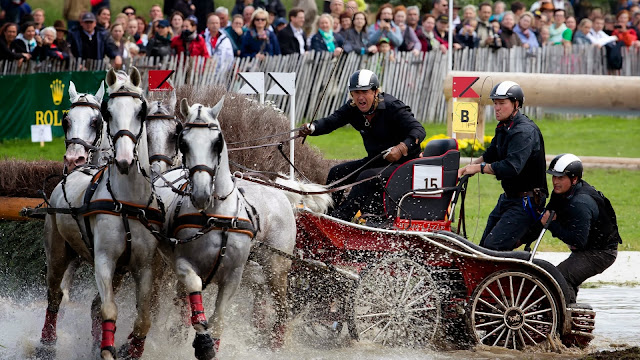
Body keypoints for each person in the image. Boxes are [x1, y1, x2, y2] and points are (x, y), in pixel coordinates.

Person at [299, 69, 426, 222]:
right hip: (376, 162)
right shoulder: (352, 108)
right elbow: (332, 121)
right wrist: (312, 127)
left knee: (366, 177)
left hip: (404, 165)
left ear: (375, 91)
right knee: (337, 172)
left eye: (365, 92)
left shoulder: (393, 106)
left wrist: (400, 148)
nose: (360, 97)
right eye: (356, 92)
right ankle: (326, 216)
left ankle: (340, 220)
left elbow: (419, 130)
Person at [458, 81, 547, 251]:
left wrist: (479, 168)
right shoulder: (504, 127)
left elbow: (511, 167)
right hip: (509, 198)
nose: (497, 108)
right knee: (483, 248)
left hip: (526, 201)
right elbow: (491, 153)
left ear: (516, 104)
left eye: (501, 103)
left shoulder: (523, 131)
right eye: (495, 103)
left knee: (493, 247)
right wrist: (465, 169)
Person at [543, 154, 621, 301]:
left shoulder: (581, 203)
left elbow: (578, 241)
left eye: (560, 178)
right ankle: (567, 315)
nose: (555, 181)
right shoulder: (561, 192)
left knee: (560, 278)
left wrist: (551, 225)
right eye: (554, 177)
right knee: (563, 276)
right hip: (587, 248)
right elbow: (546, 216)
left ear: (574, 179)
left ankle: (568, 318)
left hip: (601, 252)